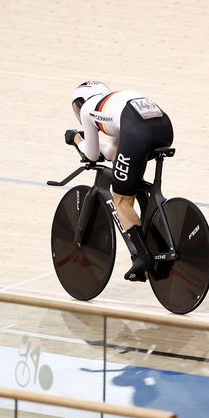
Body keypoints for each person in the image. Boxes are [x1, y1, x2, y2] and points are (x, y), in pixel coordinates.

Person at [66, 81, 174, 282]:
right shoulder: (113, 101)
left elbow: (90, 154)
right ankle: (151, 230)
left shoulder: (88, 109)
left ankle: (143, 258)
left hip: (137, 132)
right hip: (164, 129)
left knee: (121, 200)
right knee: (130, 181)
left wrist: (76, 139)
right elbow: (113, 152)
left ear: (81, 102)